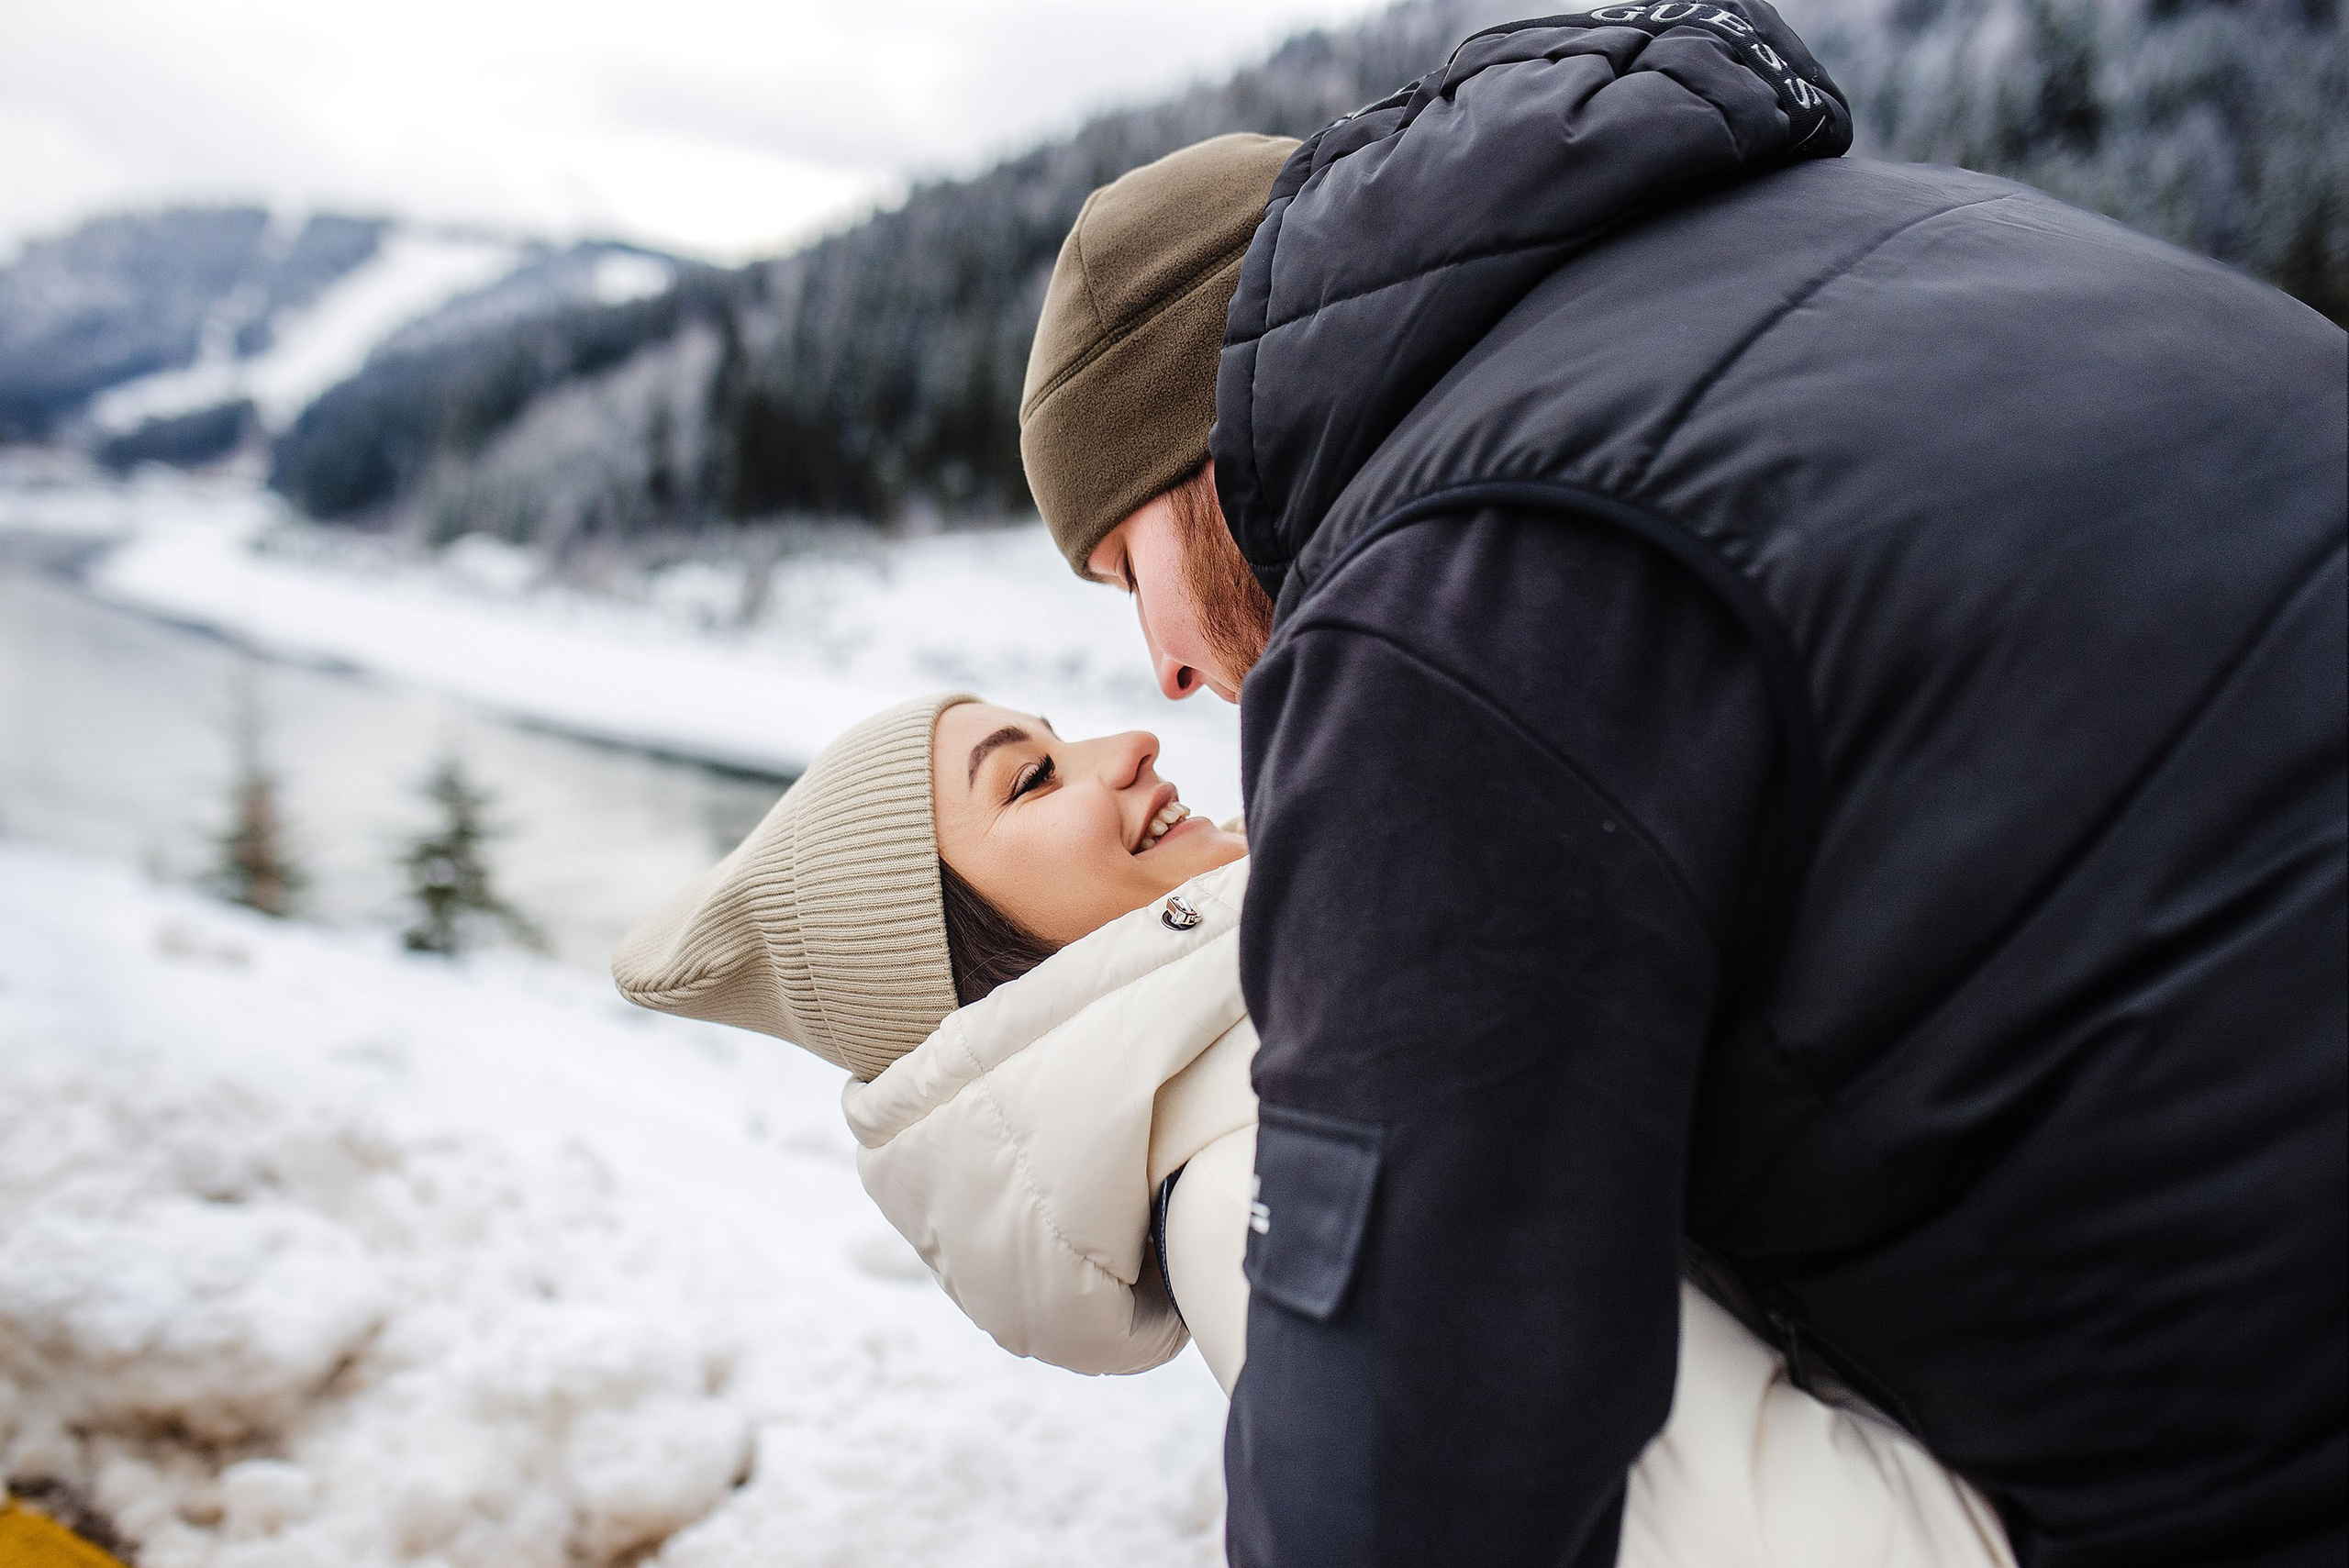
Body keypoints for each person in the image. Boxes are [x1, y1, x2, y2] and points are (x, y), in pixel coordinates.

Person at [1009, 5, 2348, 1566]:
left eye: (1126, 575)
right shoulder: (1950, 230)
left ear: (1199, 452)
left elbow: (1404, 1472)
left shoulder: (1445, 602)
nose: (1165, 668)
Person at [612, 692, 2018, 1568]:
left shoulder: (1294, 1062)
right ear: (970, 967)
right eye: (1030, 779)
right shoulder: (1266, 1182)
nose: (1128, 745)